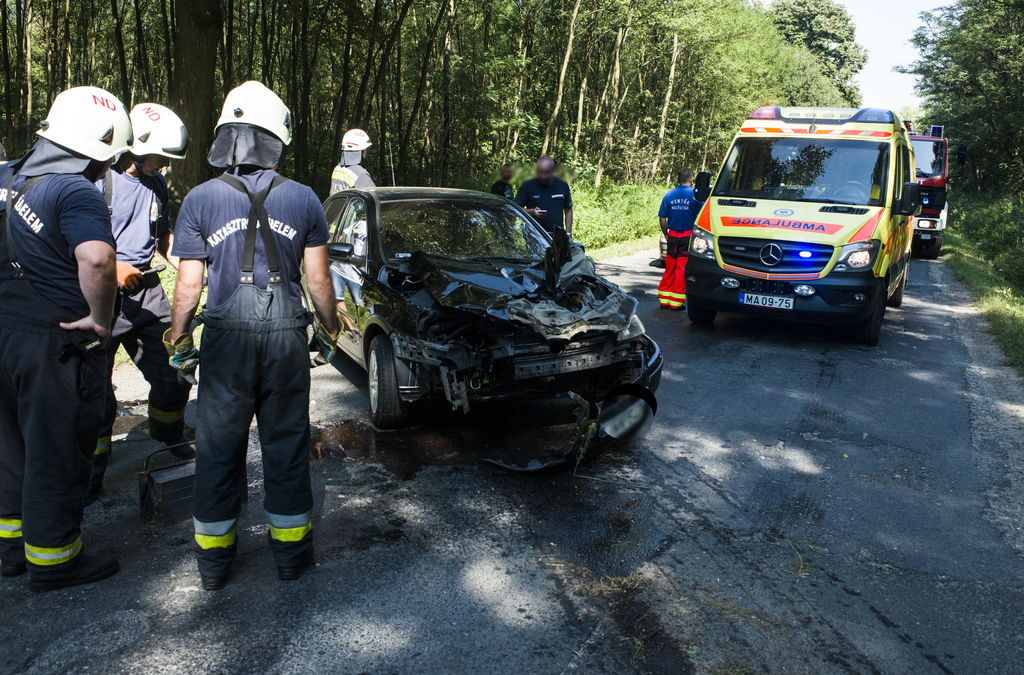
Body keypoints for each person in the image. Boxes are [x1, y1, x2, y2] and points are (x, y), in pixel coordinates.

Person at [167, 81, 340, 590]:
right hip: (286, 337)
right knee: (285, 445)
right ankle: (291, 560)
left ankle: (215, 568)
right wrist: (330, 328)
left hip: (225, 343)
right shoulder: (304, 198)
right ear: (276, 138)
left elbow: (189, 283)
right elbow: (318, 280)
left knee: (219, 448)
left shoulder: (200, 199)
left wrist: (179, 339)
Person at [0, 86, 131, 591]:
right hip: (51, 341)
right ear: (99, 147)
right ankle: (55, 561)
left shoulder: (7, 176)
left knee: (10, 445)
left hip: (3, 331)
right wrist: (101, 319)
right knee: (54, 447)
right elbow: (97, 259)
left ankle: (12, 550)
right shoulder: (73, 190)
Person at [89, 103, 192, 502]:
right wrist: (114, 272)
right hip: (101, 292)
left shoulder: (158, 185)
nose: (165, 164)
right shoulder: (100, 181)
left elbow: (164, 236)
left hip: (146, 289)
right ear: (136, 144)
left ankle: (166, 433)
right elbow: (81, 245)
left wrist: (189, 266)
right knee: (94, 390)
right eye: (161, 155)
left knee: (176, 365)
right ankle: (93, 471)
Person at [657, 169, 701, 309]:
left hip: (673, 236)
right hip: (687, 237)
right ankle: (676, 302)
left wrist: (666, 234)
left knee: (670, 265)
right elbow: (701, 216)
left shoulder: (669, 195)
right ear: (691, 180)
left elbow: (662, 218)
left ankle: (664, 299)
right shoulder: (695, 196)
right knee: (681, 267)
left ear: (677, 180)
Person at [515, 156, 573, 236]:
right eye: (540, 172)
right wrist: (532, 212)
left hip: (557, 236)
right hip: (534, 236)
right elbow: (516, 209)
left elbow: (568, 210)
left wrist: (568, 234)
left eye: (546, 172)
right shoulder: (527, 185)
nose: (543, 176)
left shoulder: (563, 185)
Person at [329, 128, 375, 194]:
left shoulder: (338, 168)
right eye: (365, 149)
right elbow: (374, 197)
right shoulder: (360, 174)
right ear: (361, 150)